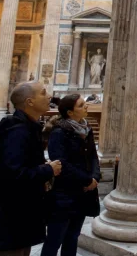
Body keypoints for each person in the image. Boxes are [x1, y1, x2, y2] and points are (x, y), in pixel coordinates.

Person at [0, 82, 62, 256]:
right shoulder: (18, 132)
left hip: (22, 212)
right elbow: (13, 175)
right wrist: (48, 170)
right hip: (11, 216)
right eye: (44, 93)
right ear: (29, 102)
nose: (49, 97)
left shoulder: (28, 127)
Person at [41, 95, 100, 256]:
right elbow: (60, 162)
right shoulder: (59, 132)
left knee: (73, 236)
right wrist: (87, 179)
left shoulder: (86, 129)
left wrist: (95, 176)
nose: (86, 106)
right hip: (64, 193)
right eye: (81, 105)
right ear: (70, 112)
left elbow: (93, 156)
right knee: (55, 239)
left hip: (83, 192)